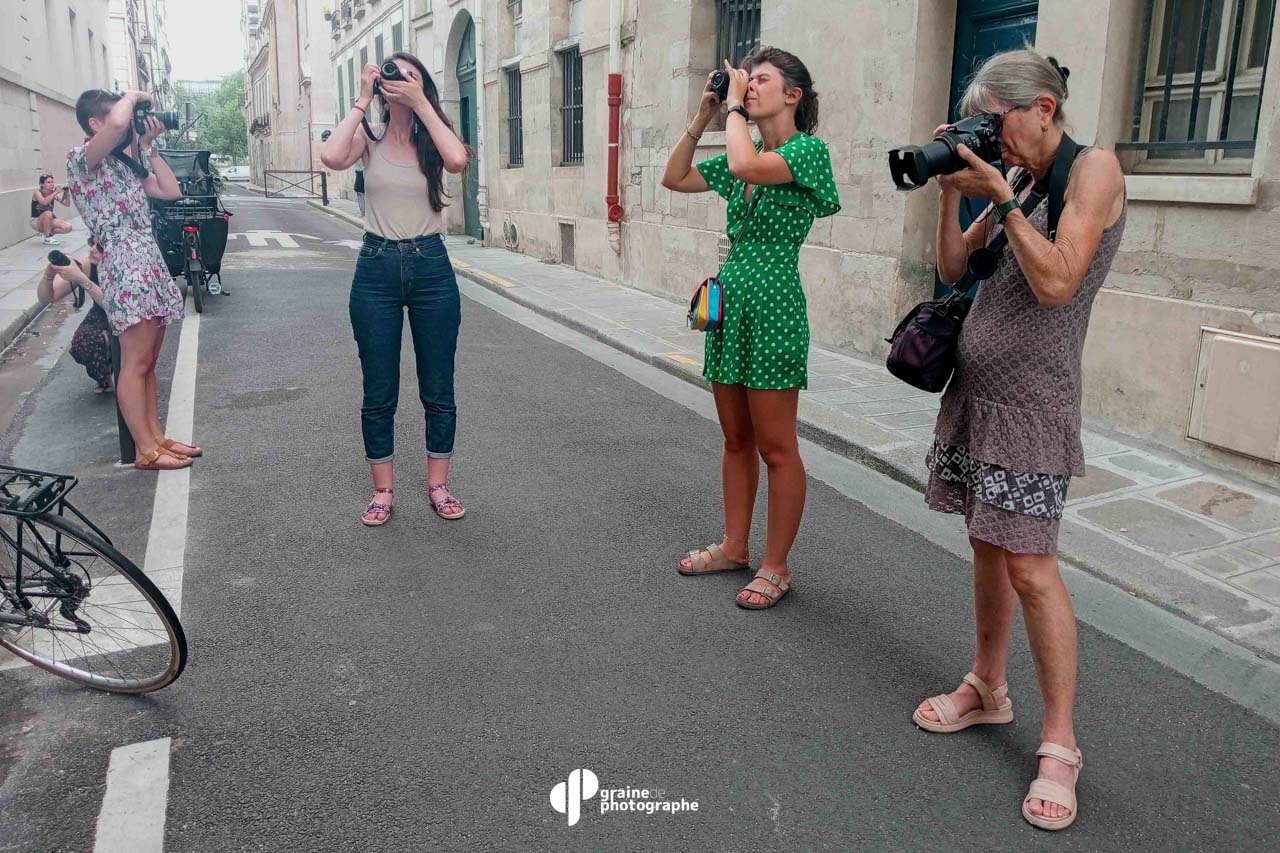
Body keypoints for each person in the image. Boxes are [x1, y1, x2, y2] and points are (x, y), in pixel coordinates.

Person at [912, 49, 1126, 832]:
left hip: (1033, 408)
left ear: (1042, 107)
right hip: (978, 399)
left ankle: (1060, 742)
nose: (989, 136)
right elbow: (951, 266)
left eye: (994, 120)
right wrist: (950, 194)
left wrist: (1001, 197)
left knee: (1032, 566)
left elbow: (1059, 280)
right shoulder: (1022, 179)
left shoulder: (1093, 170)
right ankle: (987, 685)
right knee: (985, 544)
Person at [661, 47, 840, 608]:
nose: (750, 85)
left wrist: (735, 108)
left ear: (793, 95)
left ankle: (776, 565)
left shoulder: (806, 151)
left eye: (762, 79)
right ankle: (734, 546)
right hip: (731, 304)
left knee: (777, 447)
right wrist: (706, 114)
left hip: (774, 306)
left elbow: (742, 167)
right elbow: (674, 177)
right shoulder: (749, 147)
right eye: (748, 79)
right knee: (736, 439)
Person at [319, 52, 472, 526]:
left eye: (411, 74)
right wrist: (362, 99)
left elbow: (458, 160)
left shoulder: (434, 139)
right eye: (394, 73)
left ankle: (438, 486)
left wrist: (422, 103)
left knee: (438, 386)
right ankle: (382, 491)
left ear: (423, 84)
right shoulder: (369, 137)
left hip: (431, 268)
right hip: (376, 268)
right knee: (379, 388)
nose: (400, 79)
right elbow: (331, 157)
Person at [65, 89, 203, 470]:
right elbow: (118, 124)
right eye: (119, 116)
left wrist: (148, 146)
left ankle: (157, 438)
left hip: (147, 257)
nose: (127, 124)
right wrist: (132, 95)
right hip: (125, 264)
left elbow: (170, 190)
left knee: (149, 361)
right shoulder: (82, 160)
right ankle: (144, 449)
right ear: (95, 123)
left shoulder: (123, 163)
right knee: (135, 362)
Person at [37, 235, 115, 394]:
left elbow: (112, 307)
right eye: (92, 243)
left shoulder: (127, 267)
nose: (92, 249)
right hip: (100, 315)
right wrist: (50, 274)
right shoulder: (87, 264)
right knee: (85, 338)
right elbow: (46, 298)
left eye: (100, 247)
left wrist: (81, 279)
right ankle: (105, 374)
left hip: (126, 314)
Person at [30, 175, 74, 244]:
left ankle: (49, 233)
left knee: (68, 227)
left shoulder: (52, 193)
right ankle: (47, 238)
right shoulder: (37, 193)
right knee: (48, 213)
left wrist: (66, 193)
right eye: (48, 182)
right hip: (36, 221)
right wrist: (55, 192)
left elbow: (67, 204)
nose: (51, 184)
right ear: (42, 184)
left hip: (49, 220)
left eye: (52, 182)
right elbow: (44, 202)